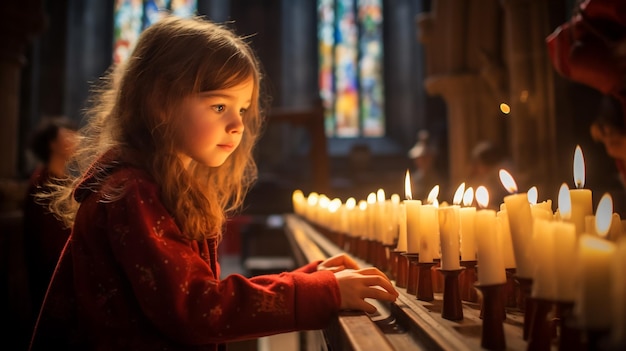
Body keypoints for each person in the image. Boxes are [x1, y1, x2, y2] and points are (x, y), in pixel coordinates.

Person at [29, 16, 398, 350]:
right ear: (160, 102)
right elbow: (197, 307)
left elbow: (191, 290)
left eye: (242, 108)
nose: (237, 124)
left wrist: (311, 278)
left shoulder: (158, 185)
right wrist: (321, 292)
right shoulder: (131, 193)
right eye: (219, 106)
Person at [22, 116, 77, 325]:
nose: (75, 139)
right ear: (52, 144)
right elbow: (43, 237)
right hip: (49, 269)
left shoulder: (66, 181)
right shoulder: (42, 182)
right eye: (68, 135)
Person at [408, 130, 446, 202]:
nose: (423, 161)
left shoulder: (437, 179)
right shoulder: (413, 179)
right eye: (420, 159)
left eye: (426, 158)